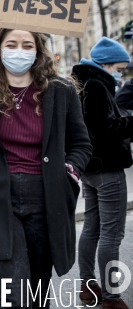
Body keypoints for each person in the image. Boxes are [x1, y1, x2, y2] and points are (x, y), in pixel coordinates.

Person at [0, 29, 92, 307]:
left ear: (37, 50)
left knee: (37, 292)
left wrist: (70, 172)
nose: (19, 50)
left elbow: (81, 144)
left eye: (26, 44)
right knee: (14, 294)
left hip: (46, 197)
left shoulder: (61, 90)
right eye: (11, 44)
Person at [71, 37, 132, 309]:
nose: (121, 73)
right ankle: (111, 296)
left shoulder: (85, 83)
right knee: (111, 234)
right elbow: (104, 128)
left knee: (93, 228)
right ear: (106, 64)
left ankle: (88, 285)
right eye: (119, 67)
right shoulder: (97, 85)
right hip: (106, 167)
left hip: (91, 168)